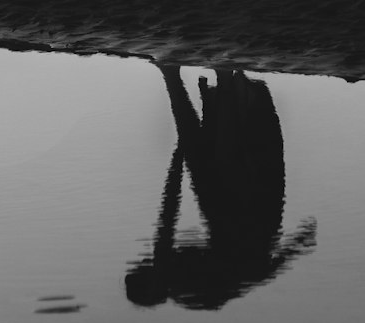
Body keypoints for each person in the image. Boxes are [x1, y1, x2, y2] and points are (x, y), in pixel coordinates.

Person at [125, 65, 316, 310]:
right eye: (146, 267)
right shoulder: (192, 292)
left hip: (231, 215)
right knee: (212, 176)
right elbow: (255, 273)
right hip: (253, 216)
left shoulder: (176, 281)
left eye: (145, 264)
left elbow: (169, 209)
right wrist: (293, 248)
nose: (148, 261)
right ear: (155, 285)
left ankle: (177, 75)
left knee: (202, 169)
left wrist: (180, 155)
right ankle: (210, 81)